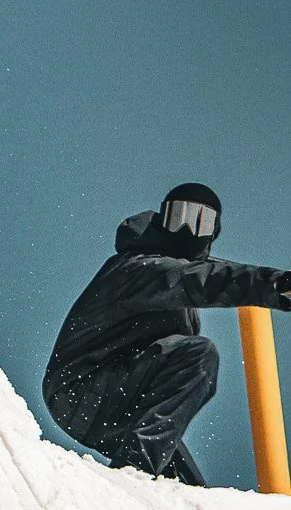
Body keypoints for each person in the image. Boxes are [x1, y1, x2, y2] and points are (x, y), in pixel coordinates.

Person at [43, 184, 291, 485]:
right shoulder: (139, 267)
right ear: (162, 220)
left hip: (118, 401)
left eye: (200, 221)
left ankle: (157, 499)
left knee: (187, 492)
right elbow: (205, 279)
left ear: (212, 232)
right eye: (178, 216)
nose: (187, 229)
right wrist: (276, 286)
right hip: (83, 387)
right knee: (199, 355)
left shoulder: (176, 289)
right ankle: (134, 477)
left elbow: (211, 272)